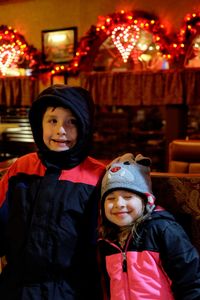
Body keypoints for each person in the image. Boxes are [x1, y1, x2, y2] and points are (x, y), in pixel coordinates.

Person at [0, 84, 105, 300]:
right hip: (15, 288)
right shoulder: (20, 168)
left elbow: (104, 245)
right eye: (52, 120)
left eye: (72, 121)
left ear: (85, 127)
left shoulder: (98, 176)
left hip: (72, 291)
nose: (60, 130)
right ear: (39, 125)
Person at [98, 153, 200, 299]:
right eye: (110, 198)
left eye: (128, 197)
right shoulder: (106, 240)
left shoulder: (163, 229)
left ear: (146, 201)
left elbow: (191, 281)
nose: (119, 204)